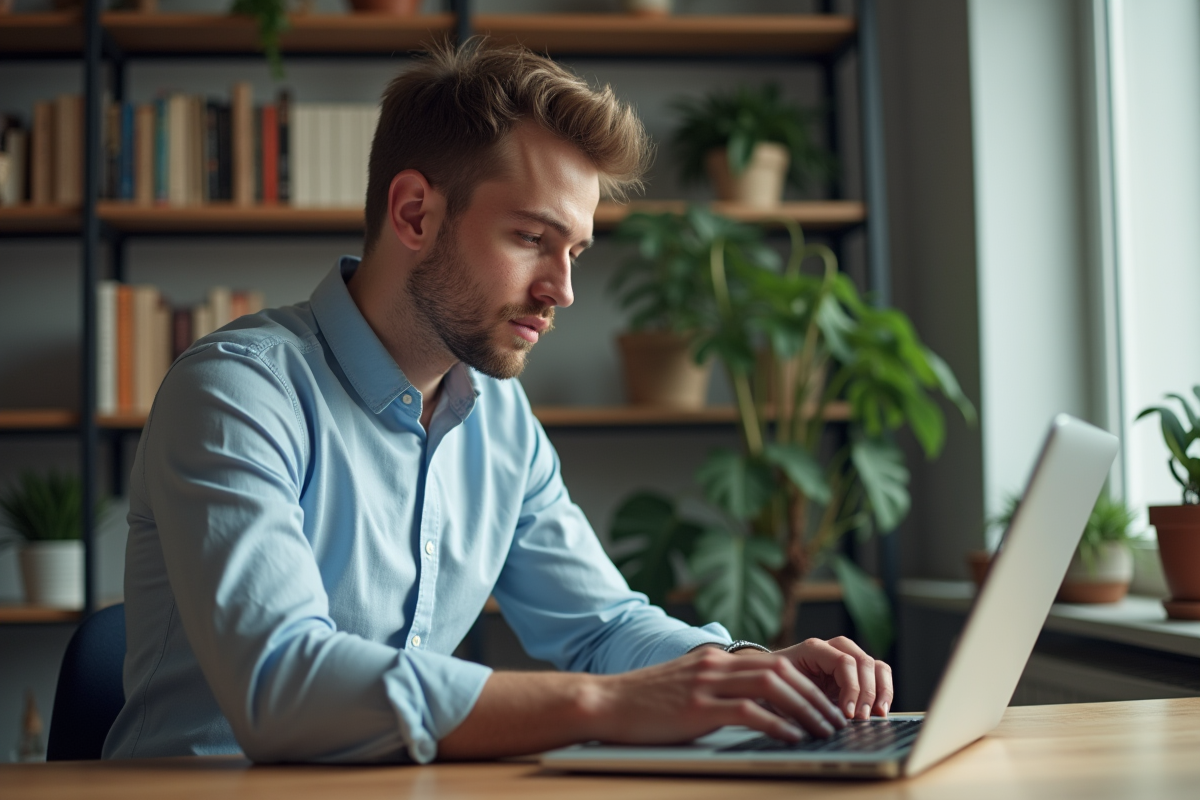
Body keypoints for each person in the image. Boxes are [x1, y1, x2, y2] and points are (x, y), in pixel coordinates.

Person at [103, 41, 892, 764]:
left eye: (574, 251)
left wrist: (744, 672)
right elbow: (283, 686)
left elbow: (602, 625)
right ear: (415, 213)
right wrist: (608, 705)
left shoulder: (500, 421)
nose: (564, 290)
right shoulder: (237, 392)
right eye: (530, 238)